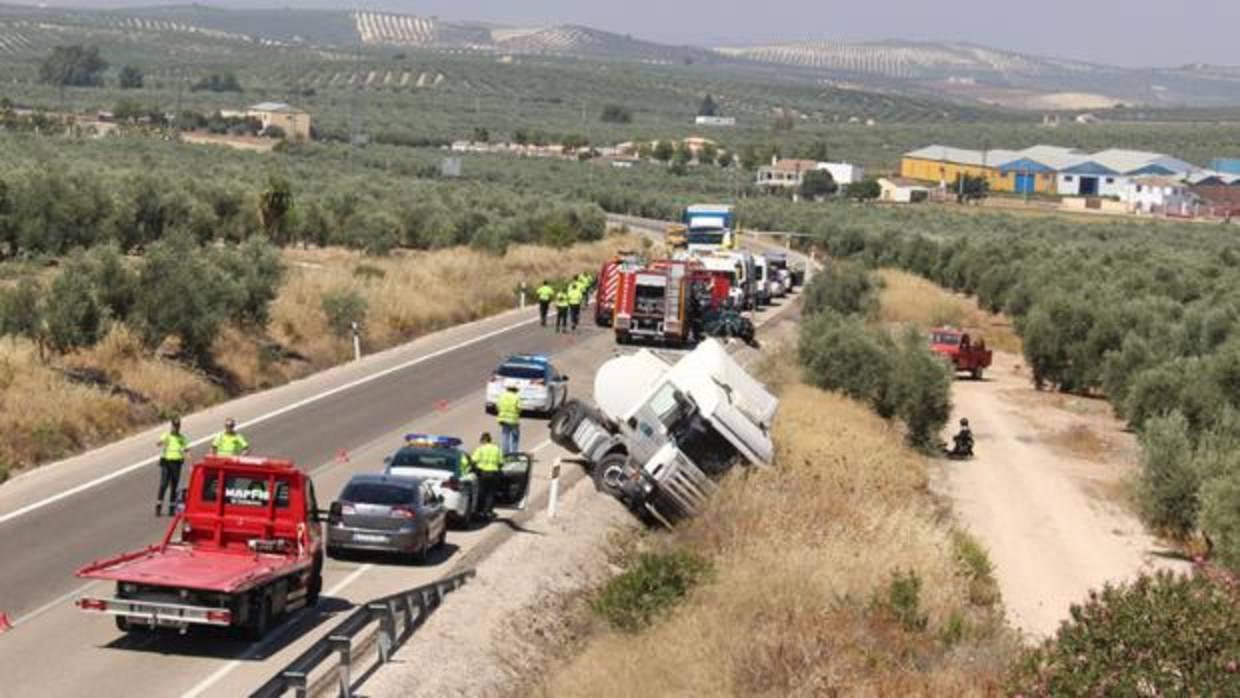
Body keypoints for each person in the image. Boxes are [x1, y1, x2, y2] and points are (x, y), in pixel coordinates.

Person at [155, 418, 189, 517]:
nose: (176, 428)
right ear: (172, 426)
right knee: (163, 484)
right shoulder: (167, 435)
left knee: (174, 485)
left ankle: (171, 508)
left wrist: (191, 462)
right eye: (174, 426)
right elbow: (158, 443)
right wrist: (161, 442)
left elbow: (187, 450)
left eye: (178, 426)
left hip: (177, 463)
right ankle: (158, 506)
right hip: (166, 462)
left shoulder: (181, 438)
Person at [471, 432, 504, 518]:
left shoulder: (481, 449)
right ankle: (488, 512)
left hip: (482, 473)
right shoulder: (497, 449)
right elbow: (501, 463)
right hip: (494, 473)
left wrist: (474, 470)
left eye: (481, 440)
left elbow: (473, 461)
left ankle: (480, 512)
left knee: (481, 493)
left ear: (483, 440)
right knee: (491, 493)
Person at [496, 384, 522, 455]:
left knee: (505, 436)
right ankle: (514, 454)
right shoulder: (516, 397)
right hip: (513, 420)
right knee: (515, 437)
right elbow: (519, 408)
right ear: (515, 390)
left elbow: (497, 406)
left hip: (503, 419)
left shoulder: (502, 396)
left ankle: (505, 454)